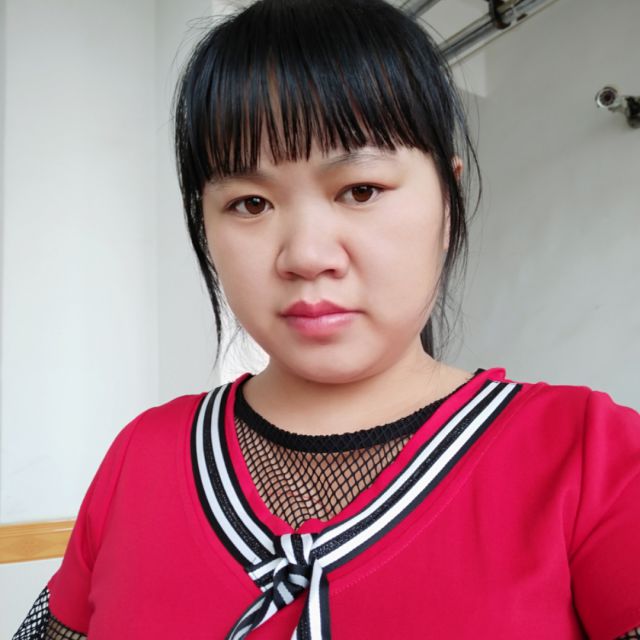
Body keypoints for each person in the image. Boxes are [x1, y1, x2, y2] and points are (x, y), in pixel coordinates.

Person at [13, 0, 640, 638]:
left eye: (360, 190)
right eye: (250, 203)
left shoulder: (592, 458)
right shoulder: (140, 458)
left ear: (448, 200)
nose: (306, 256)